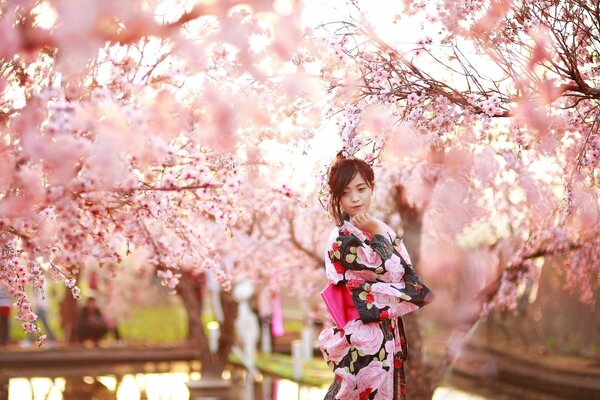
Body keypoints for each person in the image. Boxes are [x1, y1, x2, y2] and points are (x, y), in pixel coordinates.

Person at [318, 152, 435, 400]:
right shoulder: (341, 239)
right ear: (337, 198)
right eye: (346, 193)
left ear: (372, 188)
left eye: (361, 188)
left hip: (386, 331)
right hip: (361, 333)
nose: (355, 198)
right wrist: (380, 233)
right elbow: (391, 270)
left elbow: (404, 273)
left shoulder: (379, 228)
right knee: (355, 392)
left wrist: (379, 232)